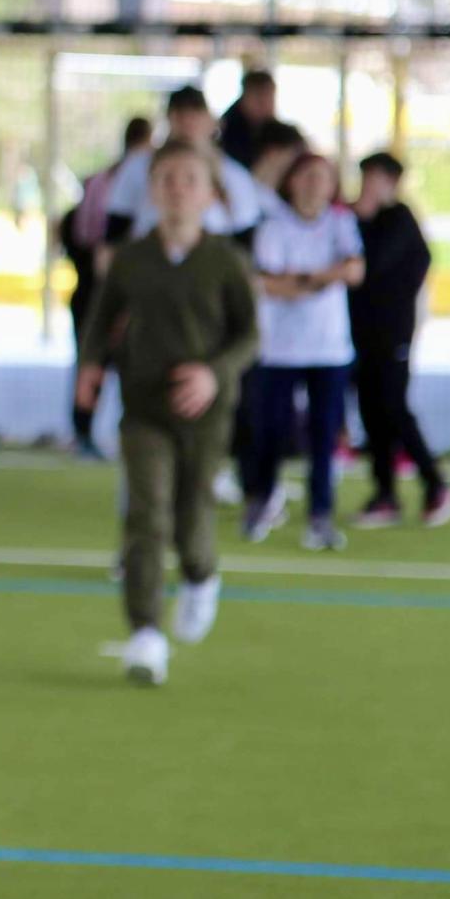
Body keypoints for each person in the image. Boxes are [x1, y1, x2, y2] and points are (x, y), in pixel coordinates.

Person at [77, 141, 259, 687]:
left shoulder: (226, 261)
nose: (177, 189)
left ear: (209, 194)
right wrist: (90, 366)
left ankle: (202, 577)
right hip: (143, 409)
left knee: (191, 523)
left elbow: (249, 337)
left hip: (207, 415)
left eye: (188, 179)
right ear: (152, 191)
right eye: (166, 179)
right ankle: (145, 633)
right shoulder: (130, 259)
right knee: (146, 515)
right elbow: (101, 316)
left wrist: (213, 373)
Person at [250, 153, 365, 550]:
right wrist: (321, 279)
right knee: (272, 431)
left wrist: (303, 280)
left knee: (324, 436)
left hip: (329, 349)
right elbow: (268, 282)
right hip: (279, 350)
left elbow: (353, 271)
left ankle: (320, 515)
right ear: (293, 181)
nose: (315, 185)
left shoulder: (341, 223)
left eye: (324, 178)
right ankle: (261, 501)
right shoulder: (275, 226)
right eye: (308, 176)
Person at [351, 152, 450, 528]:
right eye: (365, 177)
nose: (367, 185)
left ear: (392, 182)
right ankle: (385, 494)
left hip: (392, 333)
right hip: (360, 335)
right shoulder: (355, 218)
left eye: (376, 178)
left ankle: (436, 483)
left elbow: (370, 266)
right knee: (372, 413)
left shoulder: (398, 220)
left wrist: (361, 220)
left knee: (393, 408)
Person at [61, 117, 153, 458]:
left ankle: (86, 429)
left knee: (95, 355)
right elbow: (103, 244)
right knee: (101, 355)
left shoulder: (102, 179)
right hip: (108, 283)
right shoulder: (123, 180)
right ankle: (86, 428)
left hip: (94, 279)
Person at [232, 118, 306, 518]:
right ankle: (254, 488)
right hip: (241, 322)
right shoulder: (240, 198)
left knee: (263, 408)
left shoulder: (275, 206)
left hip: (273, 330)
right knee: (248, 407)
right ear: (277, 155)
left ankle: (260, 487)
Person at [104, 86, 262, 248]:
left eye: (195, 114)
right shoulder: (137, 166)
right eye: (180, 115)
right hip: (149, 263)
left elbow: (245, 239)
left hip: (211, 265)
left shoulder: (235, 175)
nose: (187, 122)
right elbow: (116, 228)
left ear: (211, 120)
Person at [218, 67, 278, 170]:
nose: (264, 104)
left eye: (269, 97)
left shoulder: (276, 131)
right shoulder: (228, 130)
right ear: (245, 97)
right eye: (259, 98)